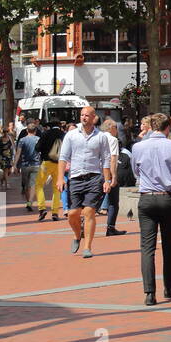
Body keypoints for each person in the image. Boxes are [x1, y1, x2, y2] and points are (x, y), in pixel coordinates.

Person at [130, 113, 171, 306]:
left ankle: (149, 291)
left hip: (147, 198)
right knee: (168, 244)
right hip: (168, 197)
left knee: (147, 247)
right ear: (167, 128)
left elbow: (136, 171)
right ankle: (170, 285)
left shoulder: (138, 147)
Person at [60, 106, 113, 259]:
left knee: (89, 211)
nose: (84, 118)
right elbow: (63, 157)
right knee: (72, 214)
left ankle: (87, 247)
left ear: (94, 117)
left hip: (94, 177)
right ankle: (77, 235)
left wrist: (107, 180)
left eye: (87, 115)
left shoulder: (101, 136)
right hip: (75, 178)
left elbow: (106, 159)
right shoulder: (71, 135)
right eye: (82, 115)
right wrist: (59, 179)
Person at [33, 120, 65, 220]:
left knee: (39, 185)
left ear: (50, 127)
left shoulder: (46, 134)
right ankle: (55, 212)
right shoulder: (63, 135)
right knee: (57, 188)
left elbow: (37, 147)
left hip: (47, 163)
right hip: (60, 164)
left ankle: (42, 208)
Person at [101, 118, 127, 237]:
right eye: (115, 127)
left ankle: (83, 224)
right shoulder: (112, 140)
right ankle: (110, 227)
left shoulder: (98, 137)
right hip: (108, 173)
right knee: (113, 201)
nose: (117, 130)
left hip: (96, 172)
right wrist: (114, 176)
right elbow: (113, 158)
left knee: (93, 201)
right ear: (111, 128)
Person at [12, 121, 41, 212]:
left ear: (27, 130)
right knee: (33, 185)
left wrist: (15, 164)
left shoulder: (22, 140)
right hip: (36, 164)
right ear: (35, 130)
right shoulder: (38, 139)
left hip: (24, 165)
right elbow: (41, 152)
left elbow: (18, 153)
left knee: (26, 185)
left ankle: (28, 201)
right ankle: (30, 202)